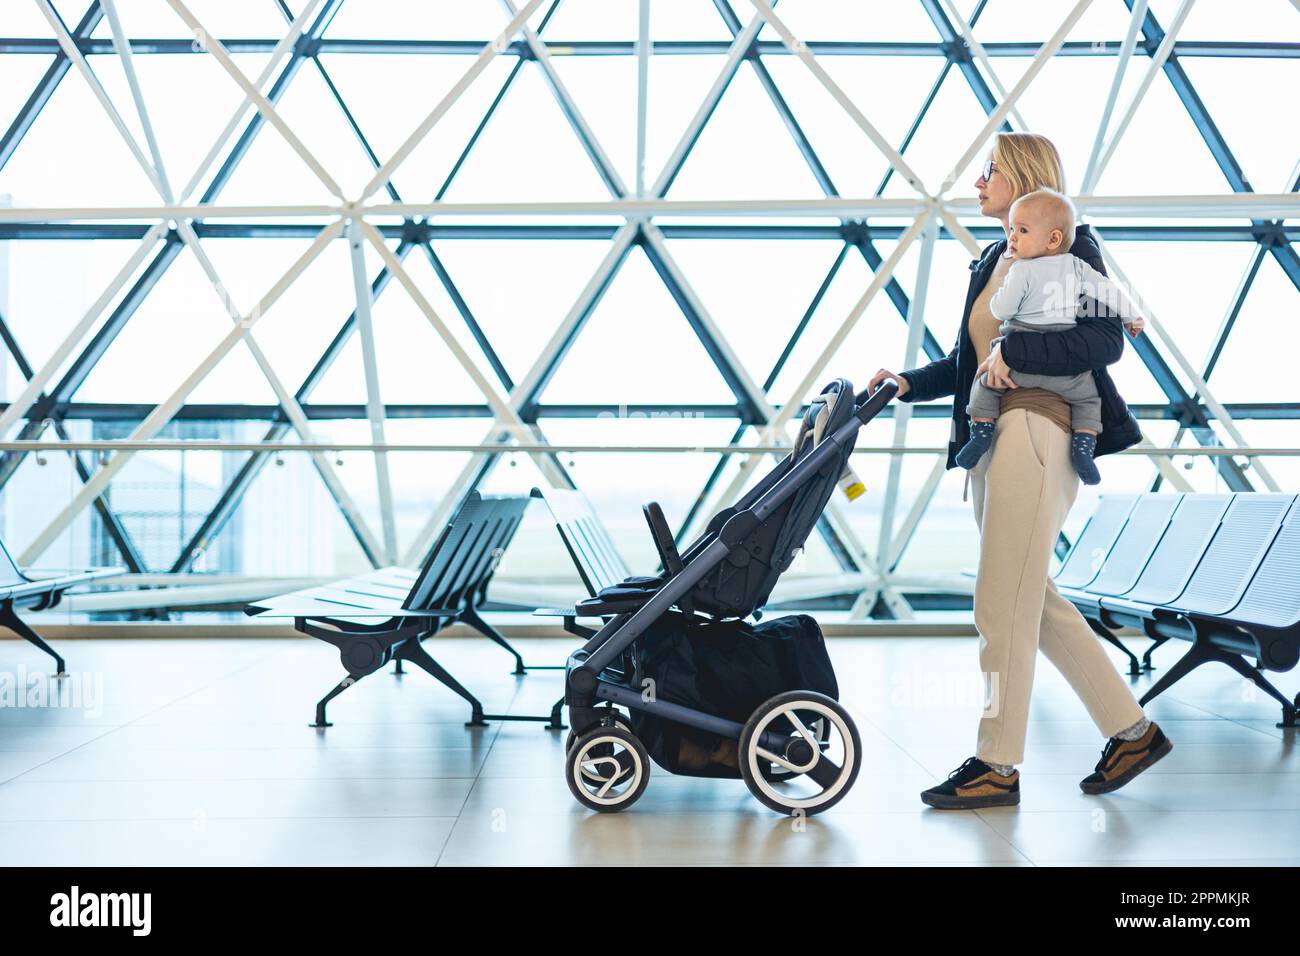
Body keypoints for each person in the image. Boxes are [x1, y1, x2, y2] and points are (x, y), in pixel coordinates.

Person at [866, 132, 1172, 810]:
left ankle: (995, 764)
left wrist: (1017, 347)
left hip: (1038, 428)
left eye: (989, 171)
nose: (977, 183)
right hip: (997, 436)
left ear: (1024, 177)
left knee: (1000, 602)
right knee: (1032, 603)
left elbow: (1103, 339)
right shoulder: (996, 259)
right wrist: (905, 384)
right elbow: (969, 361)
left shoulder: (1068, 246)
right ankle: (1133, 732)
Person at [956, 187, 1147, 485]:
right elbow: (1108, 292)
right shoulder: (1077, 265)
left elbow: (1003, 309)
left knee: (984, 385)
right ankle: (1084, 446)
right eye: (1012, 230)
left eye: (1021, 230)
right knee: (1089, 400)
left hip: (1018, 362)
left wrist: (1001, 295)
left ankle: (980, 432)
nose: (1012, 237)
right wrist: (1132, 317)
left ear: (1053, 238)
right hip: (1066, 372)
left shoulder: (1021, 269)